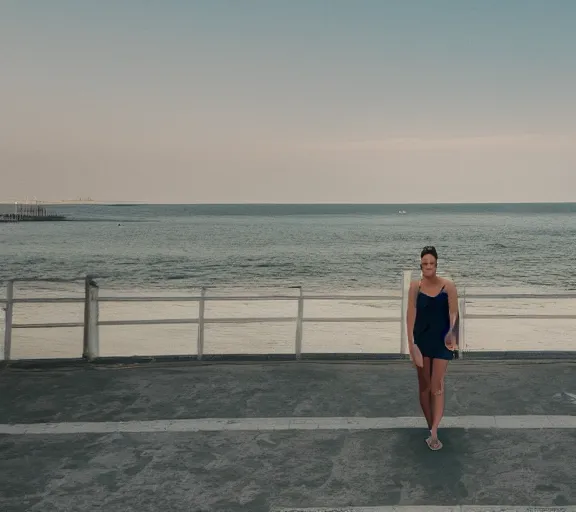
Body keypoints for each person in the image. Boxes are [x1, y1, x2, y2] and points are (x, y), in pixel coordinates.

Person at [406, 245, 459, 451]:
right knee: (425, 386)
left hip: (442, 341)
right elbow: (410, 316)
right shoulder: (414, 287)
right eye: (425, 263)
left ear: (437, 265)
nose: (428, 266)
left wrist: (453, 335)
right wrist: (411, 345)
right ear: (421, 264)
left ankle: (434, 432)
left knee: (437, 386)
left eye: (432, 263)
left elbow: (454, 315)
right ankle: (431, 426)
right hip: (421, 341)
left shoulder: (448, 286)